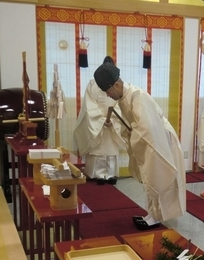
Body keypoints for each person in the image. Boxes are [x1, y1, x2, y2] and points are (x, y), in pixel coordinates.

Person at [93, 62, 186, 229]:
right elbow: (135, 126)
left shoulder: (138, 97)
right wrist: (130, 132)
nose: (108, 96)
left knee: (157, 176)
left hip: (161, 141)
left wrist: (133, 131)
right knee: (149, 177)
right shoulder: (123, 98)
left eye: (108, 91)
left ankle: (156, 217)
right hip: (150, 139)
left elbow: (147, 128)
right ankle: (152, 214)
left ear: (116, 84)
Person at [74, 56, 124, 185]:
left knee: (110, 148)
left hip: (112, 120)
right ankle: (99, 174)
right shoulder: (92, 84)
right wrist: (101, 120)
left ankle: (110, 174)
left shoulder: (118, 84)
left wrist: (112, 119)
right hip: (98, 121)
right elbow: (88, 105)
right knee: (98, 148)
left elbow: (121, 102)